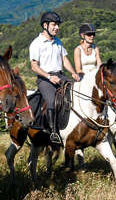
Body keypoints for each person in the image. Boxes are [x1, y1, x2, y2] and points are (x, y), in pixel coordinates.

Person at [29, 11, 80, 144]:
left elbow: (65, 60)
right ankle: (53, 132)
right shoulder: (36, 43)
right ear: (45, 25)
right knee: (51, 101)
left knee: (77, 91)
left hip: (60, 75)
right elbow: (34, 66)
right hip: (44, 79)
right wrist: (49, 76)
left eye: (57, 25)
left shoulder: (58, 42)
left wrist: (73, 73)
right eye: (54, 24)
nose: (57, 27)